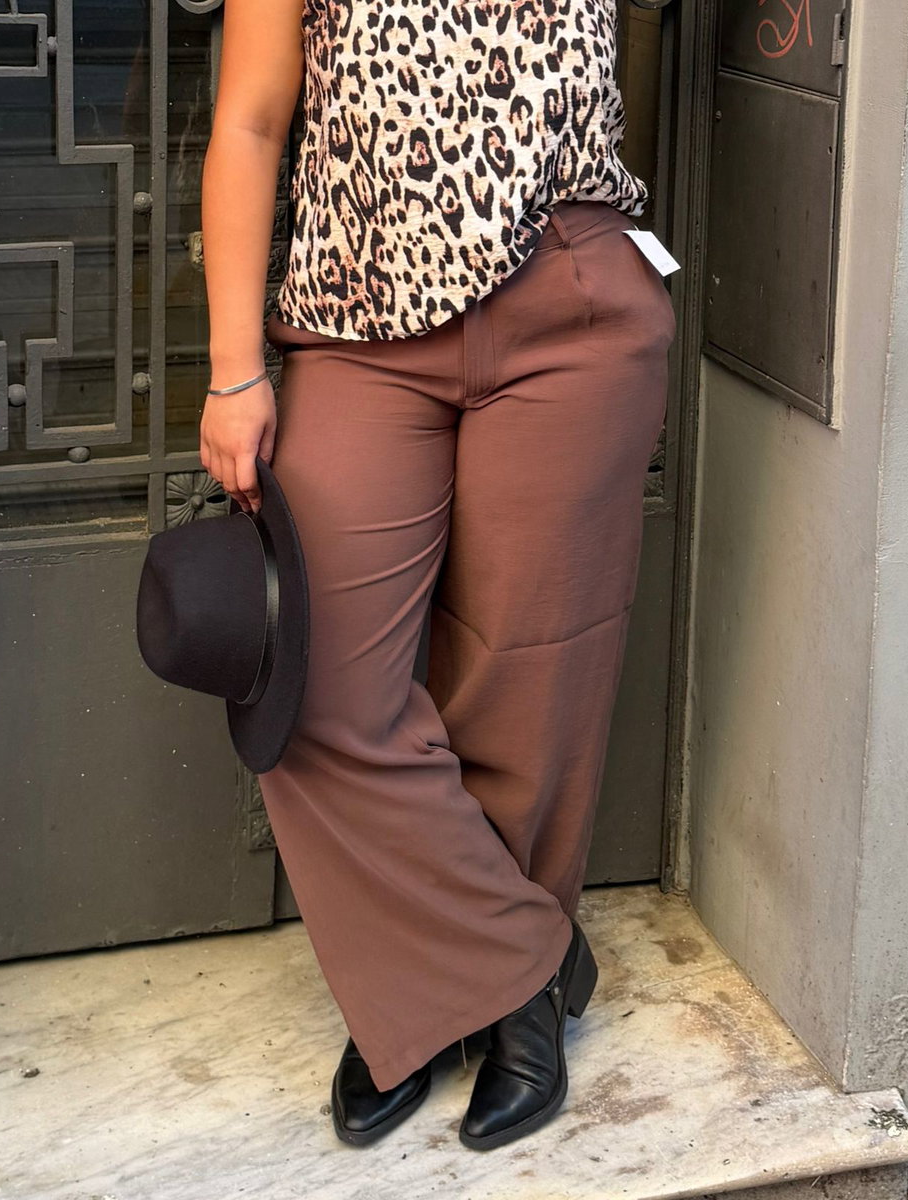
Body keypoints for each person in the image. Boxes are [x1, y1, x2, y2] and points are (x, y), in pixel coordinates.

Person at [198, 0, 675, 1151]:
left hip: (569, 302)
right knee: (309, 685)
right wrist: (232, 367)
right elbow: (252, 119)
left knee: (529, 676)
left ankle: (470, 999)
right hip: (357, 315)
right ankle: (511, 964)